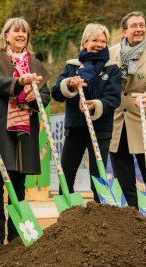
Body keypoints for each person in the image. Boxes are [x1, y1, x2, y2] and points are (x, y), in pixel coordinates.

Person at [0, 17, 50, 248]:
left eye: (24, 32)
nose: (20, 35)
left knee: (18, 185)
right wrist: (18, 83)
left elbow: (45, 96)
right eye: (16, 31)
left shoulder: (36, 65)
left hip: (24, 134)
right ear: (5, 35)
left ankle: (16, 236)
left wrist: (34, 98)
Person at [51, 23, 121, 203]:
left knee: (97, 177)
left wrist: (94, 105)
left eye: (103, 41)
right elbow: (56, 93)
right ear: (85, 42)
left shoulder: (112, 68)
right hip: (75, 127)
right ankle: (67, 218)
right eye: (95, 40)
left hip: (100, 129)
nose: (99, 44)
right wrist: (69, 84)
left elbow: (113, 99)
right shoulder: (72, 67)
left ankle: (99, 218)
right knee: (66, 175)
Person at [109, 11, 146, 208]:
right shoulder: (111, 53)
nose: (139, 29)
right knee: (123, 180)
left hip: (143, 118)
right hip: (117, 122)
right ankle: (132, 222)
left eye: (142, 25)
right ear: (124, 31)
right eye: (134, 26)